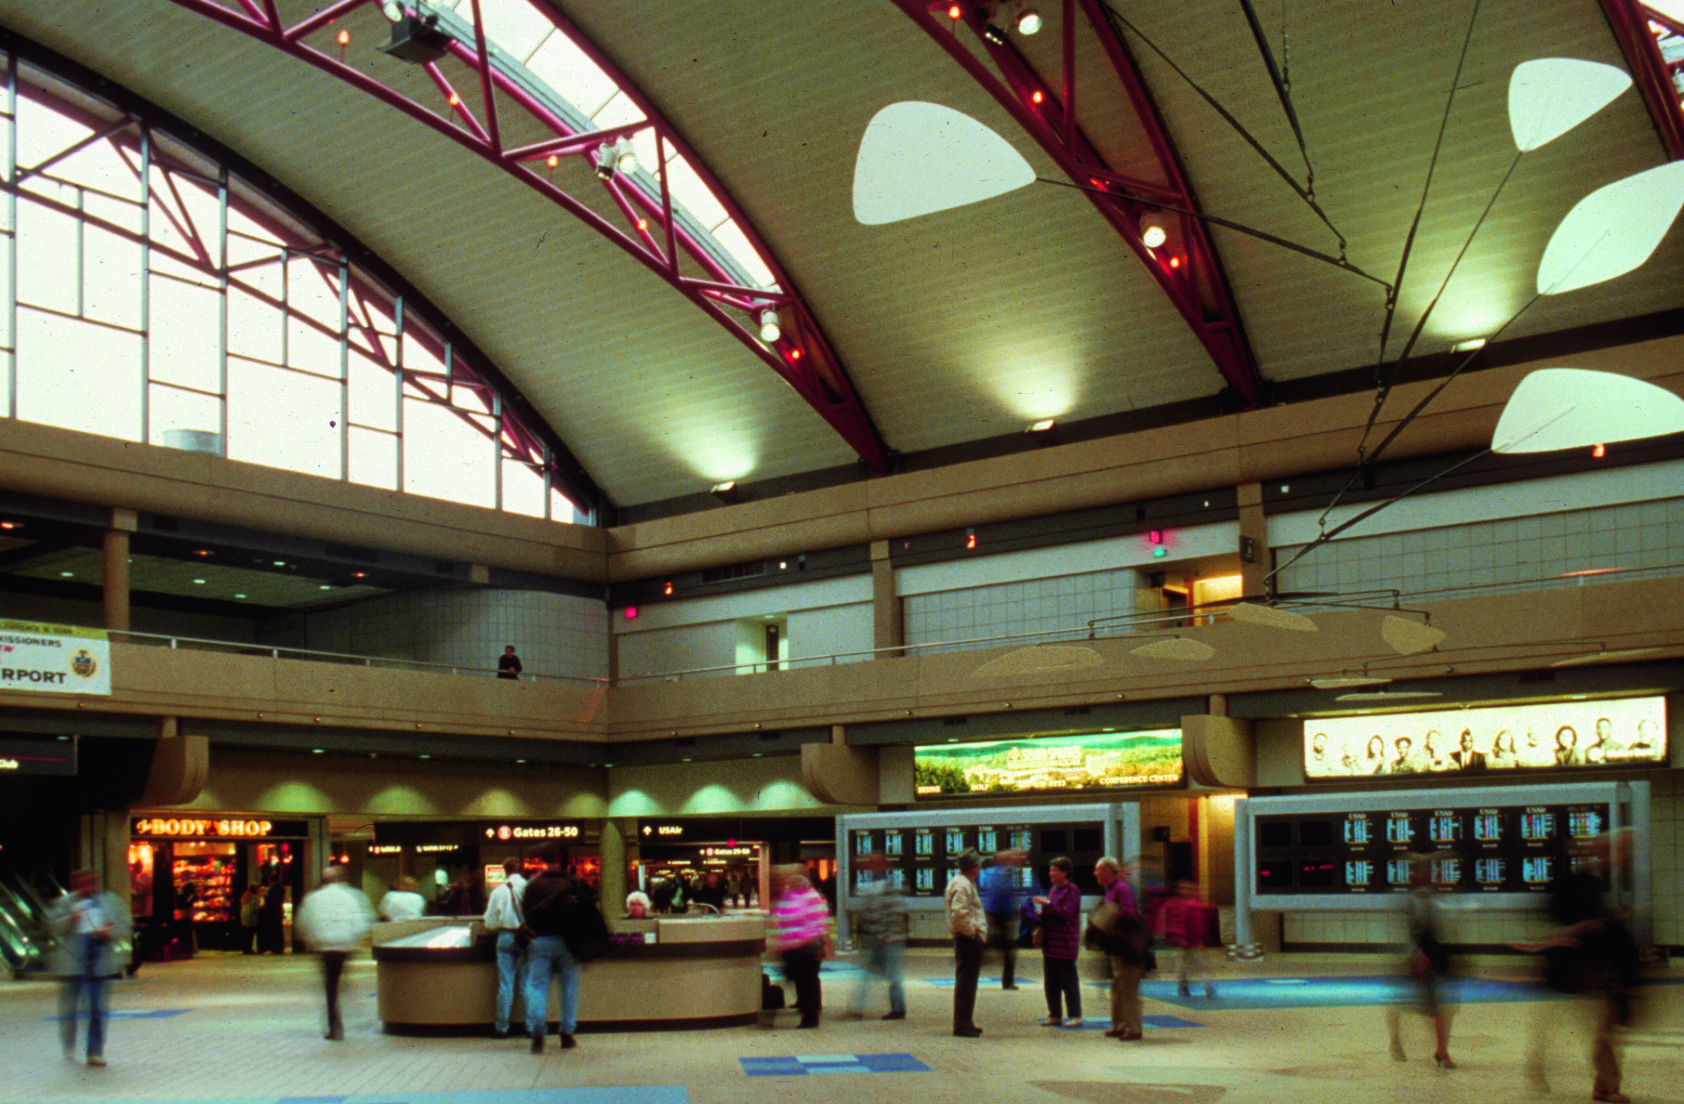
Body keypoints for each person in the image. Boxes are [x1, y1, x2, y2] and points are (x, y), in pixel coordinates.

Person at [50, 869, 131, 1067]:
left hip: (98, 964)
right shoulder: (65, 904)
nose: (87, 888)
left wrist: (109, 931)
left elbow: (124, 923)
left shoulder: (108, 902)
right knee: (70, 1009)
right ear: (75, 886)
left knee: (97, 1008)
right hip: (73, 966)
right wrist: (70, 920)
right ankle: (69, 1044)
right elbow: (51, 927)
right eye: (82, 884)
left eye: (91, 883)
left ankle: (94, 1051)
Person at [1386, 858, 1454, 1068]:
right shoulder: (1411, 901)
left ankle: (1441, 1050)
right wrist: (1416, 956)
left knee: (1439, 1006)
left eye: (1428, 874)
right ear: (1414, 877)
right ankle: (1396, 1042)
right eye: (1422, 874)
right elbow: (1409, 932)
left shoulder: (1431, 897)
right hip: (1416, 957)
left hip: (1433, 956)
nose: (1426, 878)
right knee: (1411, 1003)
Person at [295, 866, 375, 1041]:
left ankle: (334, 1025)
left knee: (329, 985)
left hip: (324, 946)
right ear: (341, 879)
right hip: (344, 946)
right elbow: (362, 922)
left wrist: (311, 938)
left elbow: (303, 922)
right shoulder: (352, 896)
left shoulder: (314, 898)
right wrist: (355, 940)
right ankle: (347, 1009)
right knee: (338, 980)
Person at [521, 850, 584, 1054]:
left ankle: (538, 1033)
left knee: (537, 987)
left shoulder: (533, 885)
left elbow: (526, 914)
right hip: (569, 942)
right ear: (561, 860)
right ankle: (566, 1034)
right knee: (568, 988)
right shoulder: (572, 883)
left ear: (541, 861)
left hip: (540, 940)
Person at [1092, 856, 1148, 1041]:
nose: (1095, 874)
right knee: (1117, 987)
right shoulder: (1112, 890)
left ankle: (1134, 1029)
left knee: (1128, 988)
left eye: (1098, 870)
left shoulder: (1121, 888)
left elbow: (1130, 916)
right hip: (1118, 948)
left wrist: (1109, 916)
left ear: (1107, 871)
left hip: (1128, 947)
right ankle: (1119, 1025)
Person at [769, 866, 829, 1029]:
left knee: (807, 981)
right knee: (800, 981)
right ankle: (806, 1009)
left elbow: (817, 924)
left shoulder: (811, 897)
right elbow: (781, 916)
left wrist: (800, 941)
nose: (788, 881)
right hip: (793, 948)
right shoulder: (788, 895)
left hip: (806, 947)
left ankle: (810, 1016)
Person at [849, 853, 907, 1021]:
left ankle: (897, 1009)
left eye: (873, 862)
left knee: (891, 974)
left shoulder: (889, 887)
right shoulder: (874, 885)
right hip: (879, 938)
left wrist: (884, 935)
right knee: (873, 974)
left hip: (889, 939)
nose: (870, 865)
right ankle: (861, 1007)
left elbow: (895, 914)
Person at [1033, 856, 1083, 1026]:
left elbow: (1066, 913)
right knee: (1051, 983)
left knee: (1068, 982)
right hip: (1050, 945)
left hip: (1065, 945)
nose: (1050, 873)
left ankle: (1075, 1015)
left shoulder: (1072, 890)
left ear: (1065, 872)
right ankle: (1054, 1015)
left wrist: (1047, 904)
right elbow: (1051, 911)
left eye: (1054, 870)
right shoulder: (1054, 889)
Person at [482, 858, 528, 1039]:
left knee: (505, 984)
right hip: (525, 938)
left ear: (505, 871)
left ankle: (502, 1028)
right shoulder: (528, 888)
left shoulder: (498, 891)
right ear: (521, 869)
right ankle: (531, 1027)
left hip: (506, 936)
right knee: (526, 984)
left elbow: (490, 922)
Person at [945, 848, 986, 1038]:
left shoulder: (963, 882)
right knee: (967, 983)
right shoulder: (962, 885)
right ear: (973, 867)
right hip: (966, 939)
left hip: (965, 938)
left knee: (967, 983)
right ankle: (962, 1025)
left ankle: (965, 1021)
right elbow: (959, 913)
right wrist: (972, 934)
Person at [1160, 879, 1215, 999]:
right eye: (1182, 888)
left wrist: (1201, 939)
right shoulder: (1172, 904)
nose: (1185, 891)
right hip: (1179, 941)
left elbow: (1200, 924)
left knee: (1201, 965)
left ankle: (1207, 986)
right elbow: (1165, 919)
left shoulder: (1195, 904)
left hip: (1193, 941)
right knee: (1182, 965)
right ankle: (1184, 985)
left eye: (1188, 888)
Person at [979, 848, 1025, 990]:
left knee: (1002, 947)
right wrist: (991, 914)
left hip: (1000, 915)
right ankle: (1007, 981)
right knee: (1008, 949)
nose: (1018, 859)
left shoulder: (1002, 872)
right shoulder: (1000, 873)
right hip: (999, 915)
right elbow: (997, 895)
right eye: (1013, 857)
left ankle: (978, 959)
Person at [258, 873, 287, 954]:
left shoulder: (275, 889)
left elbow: (270, 900)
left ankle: (276, 947)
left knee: (275, 930)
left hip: (273, 913)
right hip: (277, 912)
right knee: (277, 930)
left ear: (271, 881)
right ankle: (277, 947)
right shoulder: (280, 888)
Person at [238, 884, 262, 954]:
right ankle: (249, 949)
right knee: (250, 933)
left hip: (244, 915)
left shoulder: (245, 895)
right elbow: (254, 908)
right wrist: (260, 908)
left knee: (246, 933)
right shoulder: (254, 897)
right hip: (251, 917)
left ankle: (245, 948)